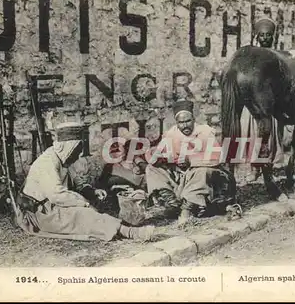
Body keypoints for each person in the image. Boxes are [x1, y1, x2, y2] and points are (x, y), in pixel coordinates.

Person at [15, 121, 155, 242]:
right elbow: (57, 195)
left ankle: (117, 226)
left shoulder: (63, 159)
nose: (80, 154)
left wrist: (92, 191)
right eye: (77, 149)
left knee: (88, 209)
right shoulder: (47, 162)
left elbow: (77, 183)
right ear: (68, 146)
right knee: (82, 214)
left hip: (54, 205)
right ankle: (130, 233)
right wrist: (83, 203)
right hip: (41, 214)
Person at [145, 99, 240, 225]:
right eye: (181, 122)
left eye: (188, 121)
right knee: (152, 169)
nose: (185, 125)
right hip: (185, 179)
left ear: (194, 119)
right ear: (176, 122)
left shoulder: (205, 132)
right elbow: (153, 155)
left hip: (211, 180)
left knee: (202, 172)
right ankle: (173, 203)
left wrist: (190, 160)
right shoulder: (172, 134)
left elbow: (217, 158)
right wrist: (158, 158)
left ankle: (187, 208)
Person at [240, 17, 285, 182]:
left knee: (270, 138)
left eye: (268, 35)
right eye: (262, 35)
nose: (265, 38)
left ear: (273, 37)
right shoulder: (250, 55)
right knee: (254, 137)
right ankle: (254, 169)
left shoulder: (278, 56)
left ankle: (268, 170)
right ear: (257, 36)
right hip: (253, 104)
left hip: (271, 105)